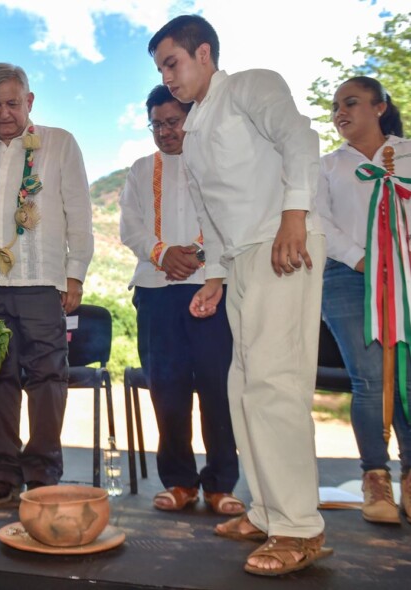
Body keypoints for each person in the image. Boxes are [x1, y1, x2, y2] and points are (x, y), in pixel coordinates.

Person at [148, 15, 331, 576]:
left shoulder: (252, 84)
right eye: (160, 70)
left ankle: (299, 528)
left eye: (172, 64)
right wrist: (215, 277)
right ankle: (264, 510)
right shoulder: (197, 124)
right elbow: (212, 210)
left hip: (284, 241)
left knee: (276, 384)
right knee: (243, 386)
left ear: (204, 53)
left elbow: (301, 139)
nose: (168, 78)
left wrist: (294, 215)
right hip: (242, 259)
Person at [0, 63, 94, 504]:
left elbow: (79, 212)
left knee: (48, 377)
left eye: (13, 103)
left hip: (42, 282)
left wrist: (75, 274)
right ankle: (4, 475)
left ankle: (43, 476)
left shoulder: (59, 143)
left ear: (29, 101)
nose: (4, 113)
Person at [119, 85, 242, 515]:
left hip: (212, 285)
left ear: (191, 120)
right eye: (157, 124)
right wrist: (162, 253)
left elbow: (232, 219)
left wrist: (199, 257)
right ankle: (179, 482)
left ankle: (221, 484)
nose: (165, 132)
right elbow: (130, 227)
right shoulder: (139, 169)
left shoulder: (218, 163)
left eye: (173, 122)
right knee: (167, 388)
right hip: (155, 292)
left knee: (218, 387)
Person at [316, 76, 411, 525]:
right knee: (370, 376)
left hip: (407, 278)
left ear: (380, 106)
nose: (340, 112)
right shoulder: (327, 166)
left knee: (408, 374)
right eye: (336, 106)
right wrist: (363, 261)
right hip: (347, 278)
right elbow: (320, 223)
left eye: (351, 102)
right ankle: (376, 477)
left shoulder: (408, 154)